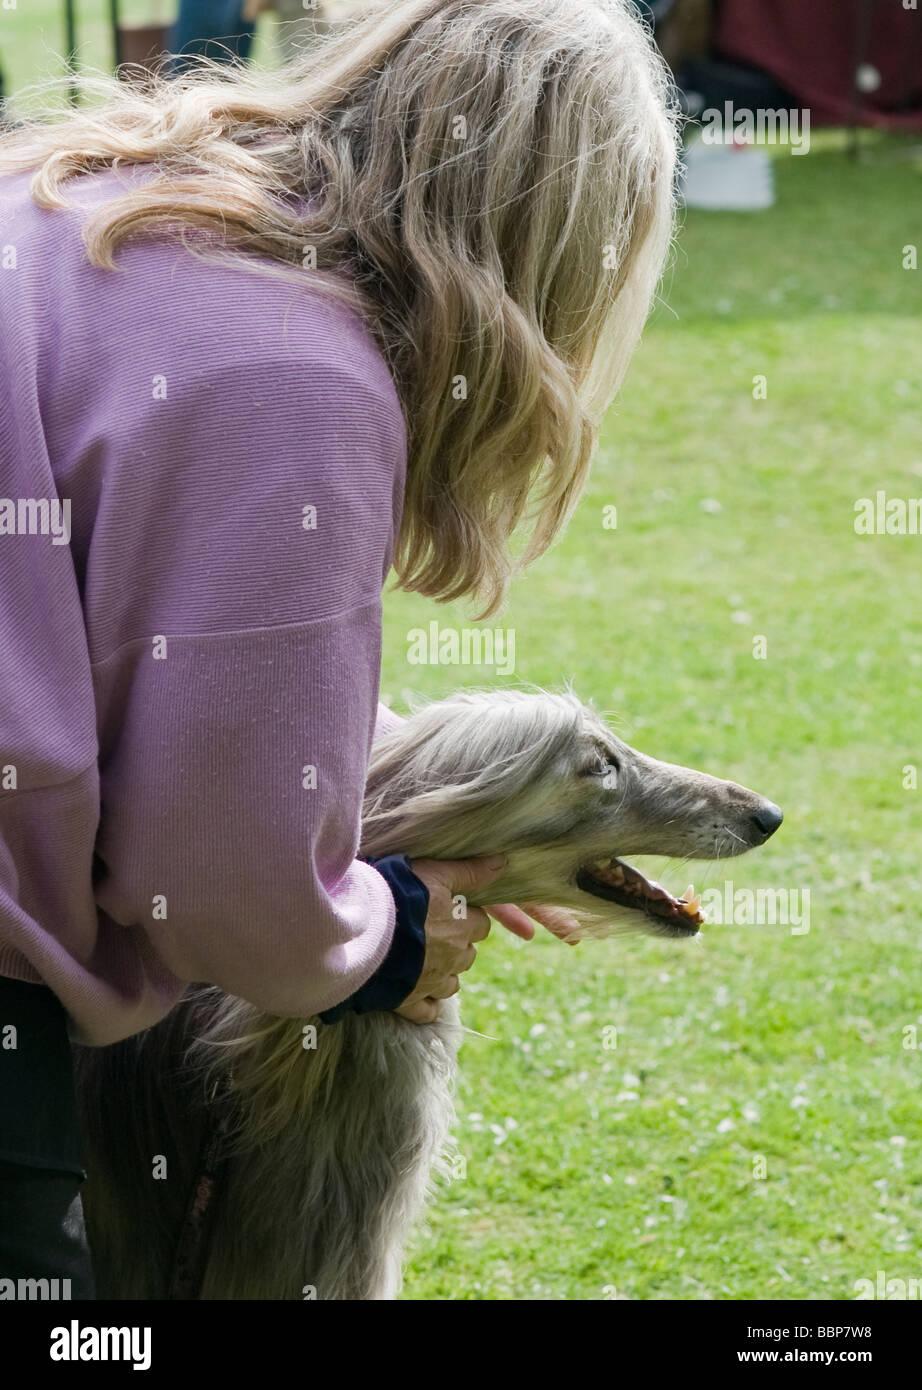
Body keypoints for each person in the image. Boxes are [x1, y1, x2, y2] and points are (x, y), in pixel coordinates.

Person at [0, 0, 678, 1298]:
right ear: (546, 238)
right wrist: (389, 923)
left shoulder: (104, 195)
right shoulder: (296, 374)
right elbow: (222, 883)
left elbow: (118, 647)